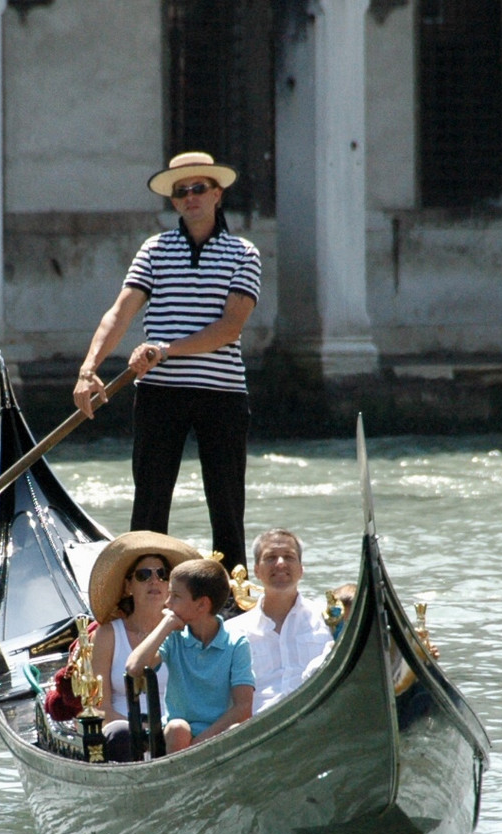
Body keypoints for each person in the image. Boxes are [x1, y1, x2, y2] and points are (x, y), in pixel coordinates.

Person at [72, 151, 262, 572]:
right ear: (174, 201)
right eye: (182, 191)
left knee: (227, 508)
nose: (191, 197)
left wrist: (165, 349)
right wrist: (88, 370)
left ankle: (230, 601)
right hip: (160, 393)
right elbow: (120, 312)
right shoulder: (154, 250)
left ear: (217, 194)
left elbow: (230, 328)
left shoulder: (243, 253)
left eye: (199, 188)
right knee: (150, 506)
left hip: (222, 393)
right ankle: (144, 592)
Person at [84, 531, 203, 760]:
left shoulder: (187, 633)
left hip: (177, 734)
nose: (154, 580)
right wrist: (143, 736)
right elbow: (100, 706)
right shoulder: (108, 634)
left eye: (162, 574)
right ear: (128, 586)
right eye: (144, 575)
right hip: (122, 733)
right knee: (123, 736)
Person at [126, 558, 255, 755]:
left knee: (235, 730)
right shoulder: (173, 638)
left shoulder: (236, 644)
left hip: (219, 732)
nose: (167, 603)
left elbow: (243, 707)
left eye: (175, 596)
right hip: (178, 733)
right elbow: (134, 667)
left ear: (202, 604)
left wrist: (199, 745)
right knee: (178, 728)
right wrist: (165, 625)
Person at [224, 529, 334, 714]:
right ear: (256, 570)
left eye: (289, 557)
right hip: (258, 731)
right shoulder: (232, 632)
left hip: (317, 722)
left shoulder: (327, 620)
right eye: (271, 557)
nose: (280, 563)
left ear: (301, 569)